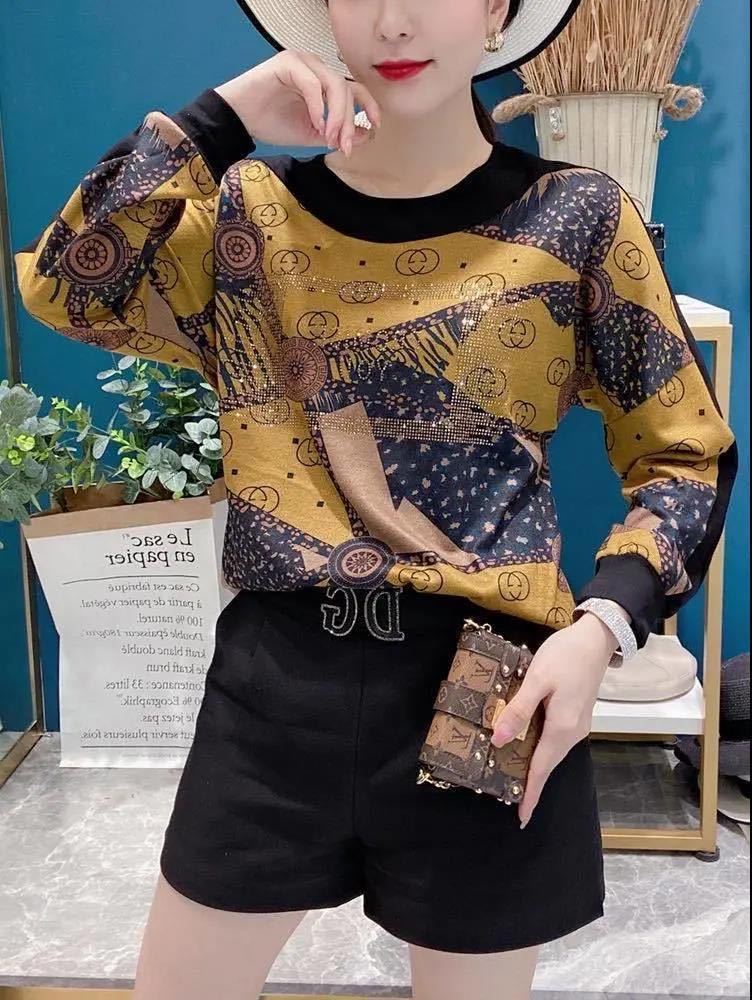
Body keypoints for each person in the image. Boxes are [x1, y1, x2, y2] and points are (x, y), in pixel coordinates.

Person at [14, 0, 739, 996]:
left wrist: (601, 627)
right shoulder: (248, 211)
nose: (395, 21)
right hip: (276, 684)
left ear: (496, 9)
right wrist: (219, 119)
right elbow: (67, 286)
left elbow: (683, 452)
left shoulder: (575, 216)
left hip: (489, 688)